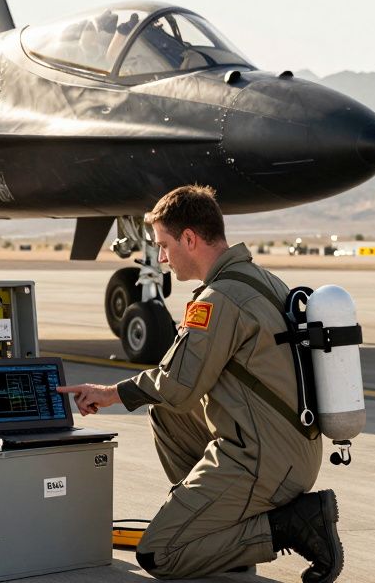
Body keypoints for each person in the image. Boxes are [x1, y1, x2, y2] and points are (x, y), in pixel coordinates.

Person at [57, 184, 343, 581]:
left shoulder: (218, 299)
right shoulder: (262, 280)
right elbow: (176, 397)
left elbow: (177, 385)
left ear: (189, 239)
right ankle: (216, 528)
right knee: (166, 414)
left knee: (161, 554)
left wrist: (110, 394)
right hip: (290, 447)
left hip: (265, 460)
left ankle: (289, 526)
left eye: (164, 245)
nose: (161, 257)